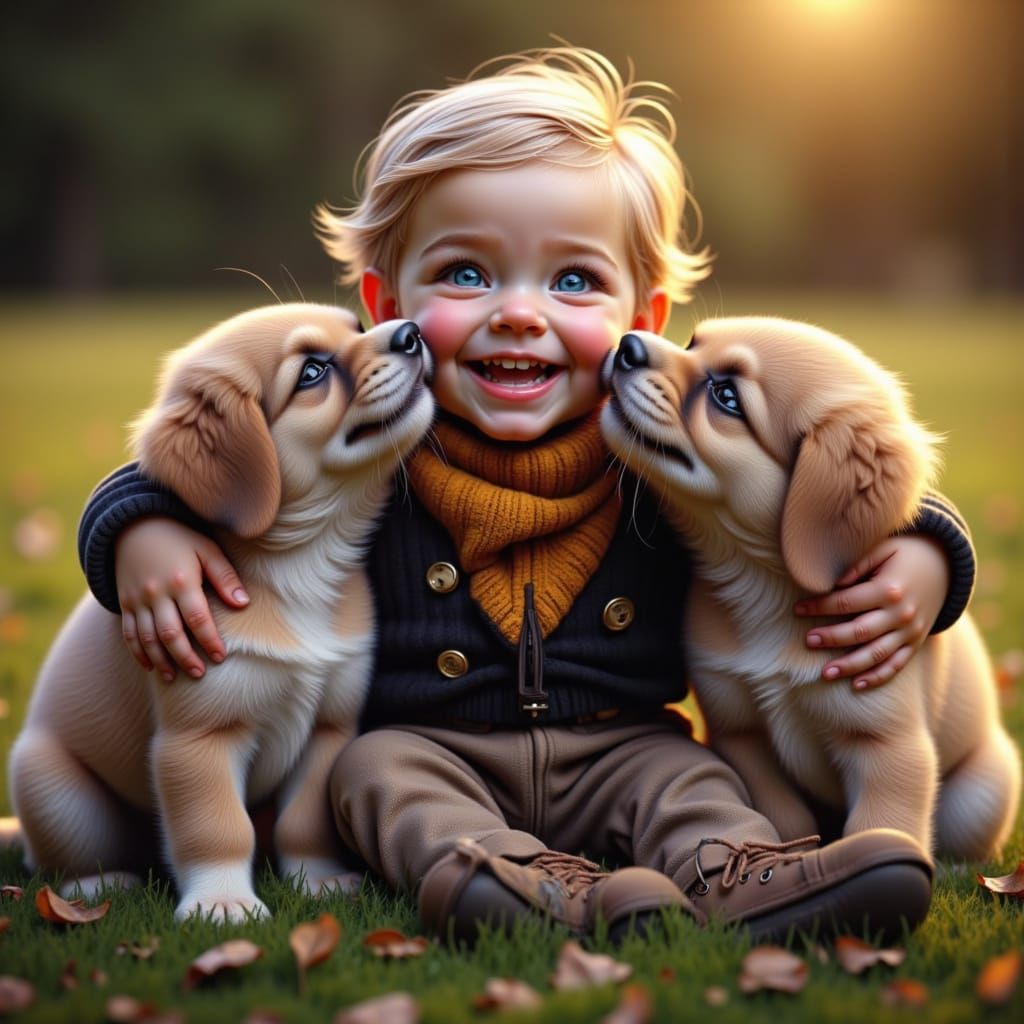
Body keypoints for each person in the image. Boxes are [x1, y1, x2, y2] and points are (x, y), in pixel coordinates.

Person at [79, 47, 975, 944]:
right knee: (376, 775)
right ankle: (508, 883)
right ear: (387, 307)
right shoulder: (371, 438)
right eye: (466, 273)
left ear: (644, 322)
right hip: (435, 749)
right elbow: (198, 452)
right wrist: (137, 533)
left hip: (623, 744)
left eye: (574, 280)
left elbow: (838, 476)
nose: (518, 311)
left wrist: (930, 553)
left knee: (692, 784)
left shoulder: (661, 450)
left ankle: (749, 878)